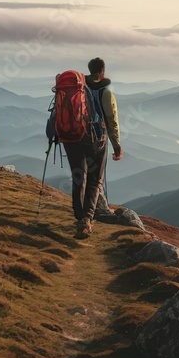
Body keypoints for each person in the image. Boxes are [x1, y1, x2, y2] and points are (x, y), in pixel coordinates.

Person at [64, 57, 123, 239]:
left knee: (78, 176)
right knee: (94, 179)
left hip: (71, 138)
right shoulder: (105, 91)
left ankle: (79, 215)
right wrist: (117, 146)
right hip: (96, 140)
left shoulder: (77, 89)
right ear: (102, 71)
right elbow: (111, 120)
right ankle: (87, 219)